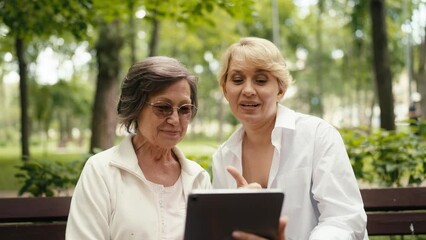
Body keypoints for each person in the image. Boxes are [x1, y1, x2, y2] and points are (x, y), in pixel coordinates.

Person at [66, 56, 286, 240]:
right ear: (135, 107)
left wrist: (236, 220)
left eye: (184, 109)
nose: (175, 119)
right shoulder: (103, 171)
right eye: (163, 107)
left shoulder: (197, 178)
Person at [212, 37, 368, 239]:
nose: (248, 90)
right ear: (225, 89)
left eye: (260, 80)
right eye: (237, 80)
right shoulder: (223, 157)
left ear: (280, 89)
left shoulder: (318, 135)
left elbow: (344, 219)